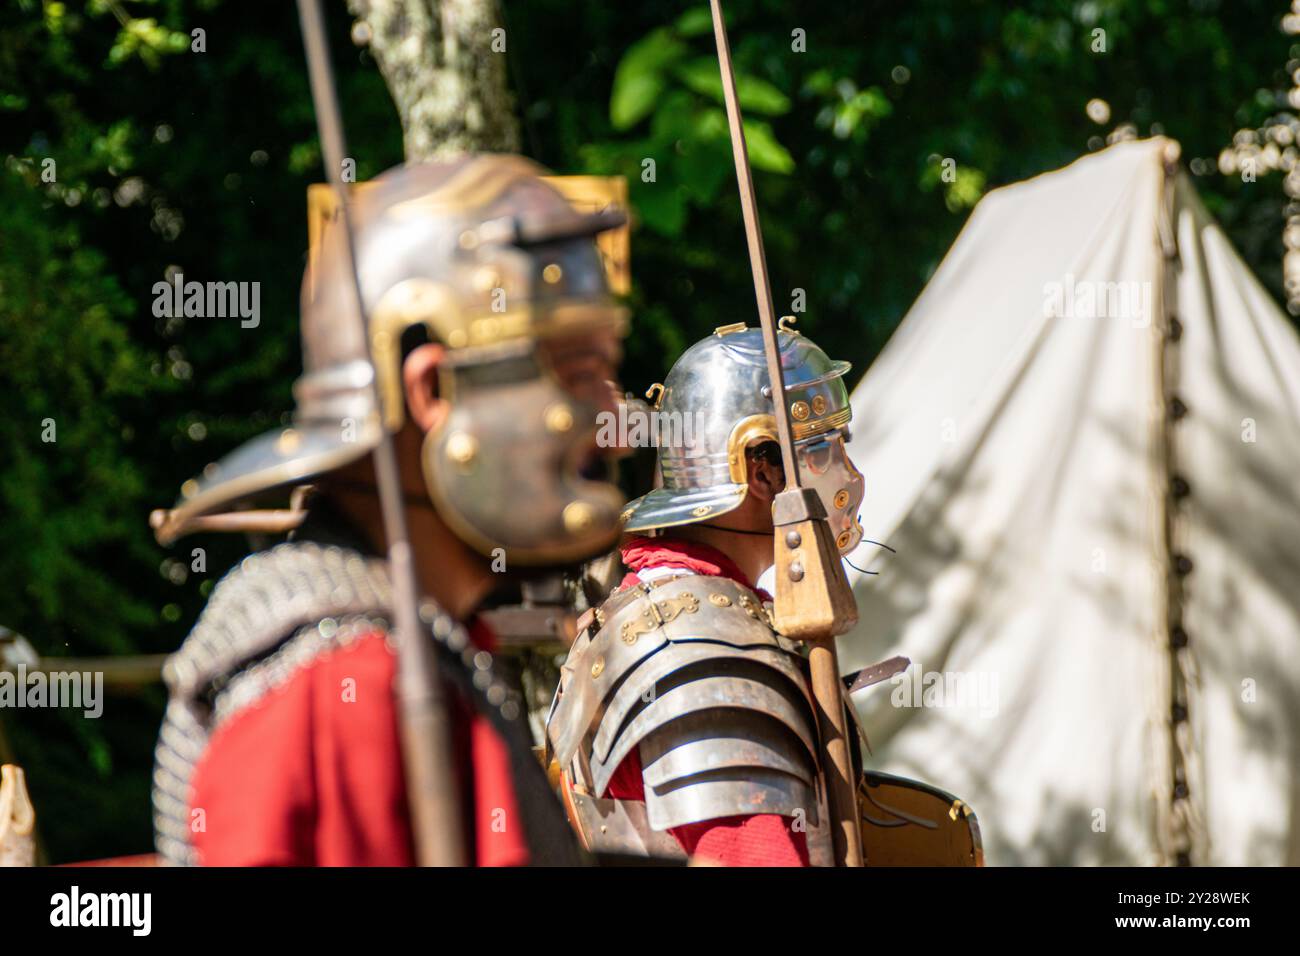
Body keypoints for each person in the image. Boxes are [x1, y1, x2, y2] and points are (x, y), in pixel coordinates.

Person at [151, 154, 628, 866]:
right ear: (432, 389)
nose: (611, 410)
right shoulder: (338, 690)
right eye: (578, 373)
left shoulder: (414, 639)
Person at [546, 322, 866, 866]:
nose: (850, 475)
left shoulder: (660, 612)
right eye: (827, 449)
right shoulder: (704, 658)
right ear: (762, 474)